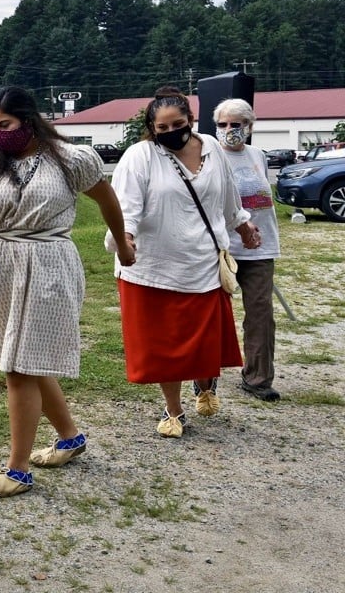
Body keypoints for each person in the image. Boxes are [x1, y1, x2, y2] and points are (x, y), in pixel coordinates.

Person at [0, 86, 135, 497]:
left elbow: (108, 202)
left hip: (50, 261)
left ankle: (17, 471)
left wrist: (121, 243)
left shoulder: (71, 159)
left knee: (18, 365)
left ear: (29, 119)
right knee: (25, 358)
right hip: (4, 261)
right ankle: (69, 437)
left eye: (6, 125)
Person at [107, 86, 261, 438]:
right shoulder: (140, 155)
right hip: (153, 266)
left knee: (203, 338)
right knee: (164, 343)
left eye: (177, 124)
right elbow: (125, 205)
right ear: (152, 128)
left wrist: (243, 223)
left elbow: (227, 195)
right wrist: (125, 236)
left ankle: (205, 387)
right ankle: (173, 410)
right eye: (162, 128)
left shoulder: (211, 149)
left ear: (191, 120)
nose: (170, 132)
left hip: (202, 261)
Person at [213, 98, 281, 401]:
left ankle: (258, 379)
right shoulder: (210, 157)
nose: (229, 130)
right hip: (223, 248)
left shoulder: (257, 155)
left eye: (236, 124)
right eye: (223, 124)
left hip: (261, 249)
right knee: (213, 314)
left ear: (249, 126)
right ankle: (204, 377)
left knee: (260, 313)